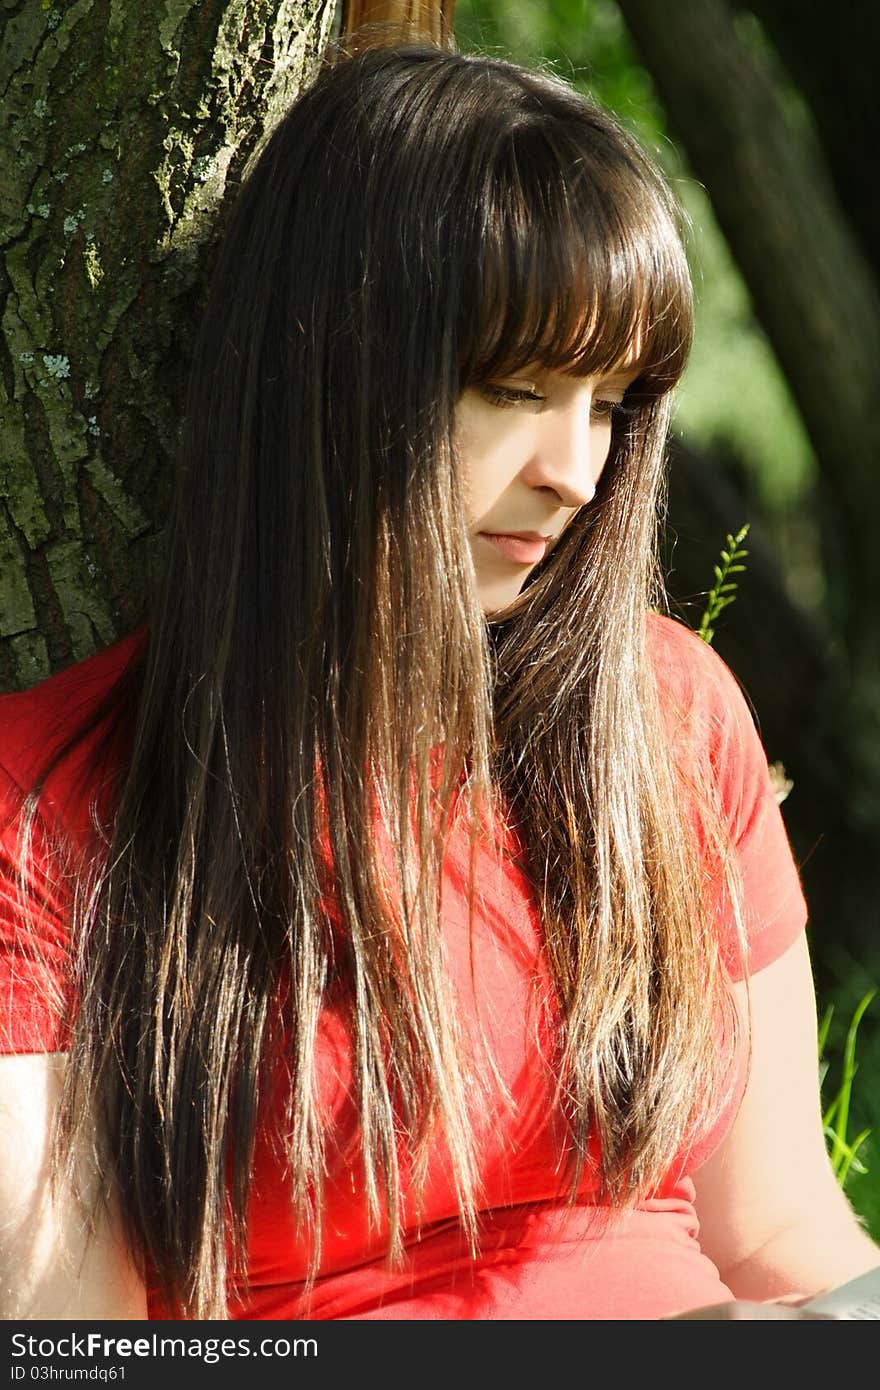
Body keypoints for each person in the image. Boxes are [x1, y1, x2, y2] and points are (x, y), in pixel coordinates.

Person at [1, 39, 877, 1323]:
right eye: (513, 387)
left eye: (611, 401)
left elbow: (786, 1229)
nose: (575, 472)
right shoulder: (47, 809)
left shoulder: (668, 712)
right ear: (331, 374)